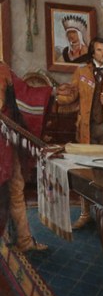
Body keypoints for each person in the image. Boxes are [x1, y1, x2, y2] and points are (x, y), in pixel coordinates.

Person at [56, 37, 103, 228]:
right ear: (92, 52)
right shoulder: (81, 72)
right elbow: (71, 95)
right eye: (99, 50)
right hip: (86, 130)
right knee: (84, 172)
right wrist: (56, 94)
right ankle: (85, 213)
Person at [0, 61, 47, 251]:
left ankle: (23, 239)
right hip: (4, 143)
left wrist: (49, 93)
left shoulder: (2, 68)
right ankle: (16, 240)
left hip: (11, 139)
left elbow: (24, 95)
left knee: (15, 189)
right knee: (10, 191)